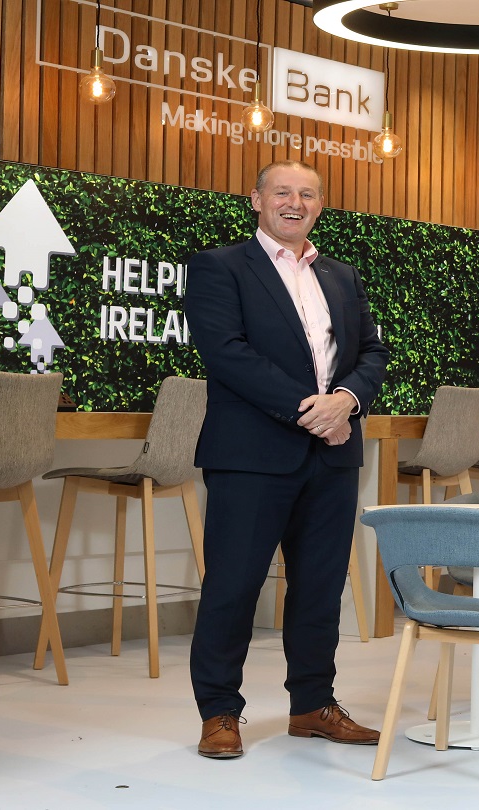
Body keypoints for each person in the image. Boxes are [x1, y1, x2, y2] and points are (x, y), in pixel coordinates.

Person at [183, 161, 389, 759]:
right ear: (256, 200)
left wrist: (347, 400)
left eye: (307, 194)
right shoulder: (220, 267)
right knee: (233, 585)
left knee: (321, 588)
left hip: (332, 456)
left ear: (320, 206)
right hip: (251, 454)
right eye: (282, 192)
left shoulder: (342, 276)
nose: (294, 202)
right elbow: (225, 353)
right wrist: (311, 409)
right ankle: (219, 711)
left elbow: (371, 351)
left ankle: (313, 704)